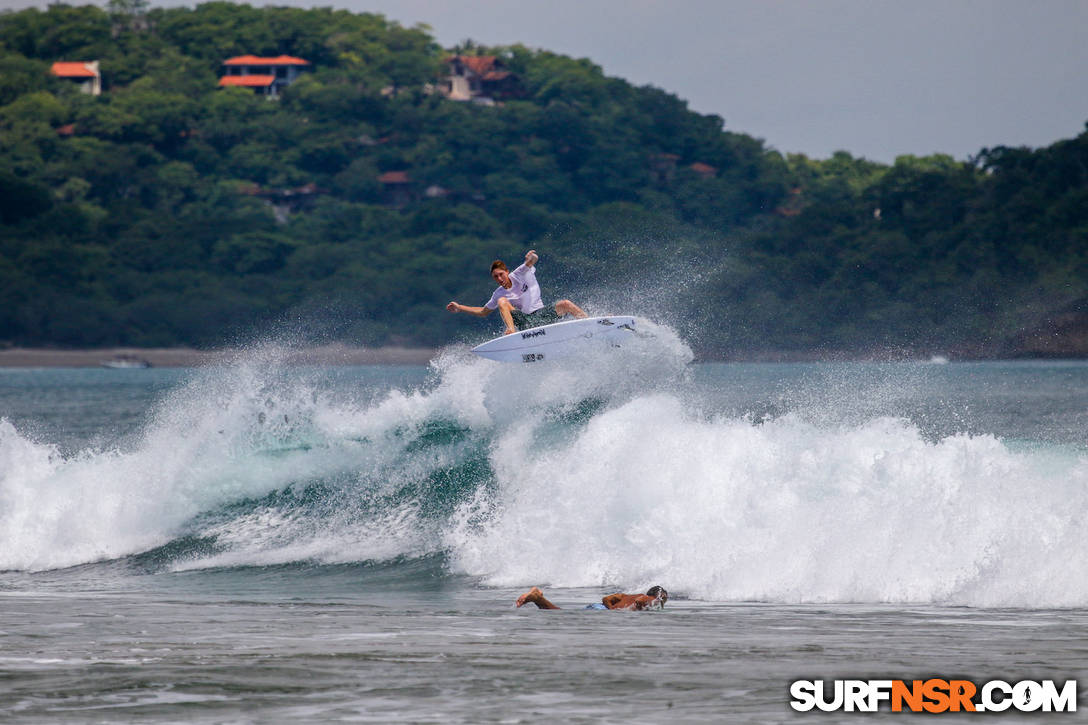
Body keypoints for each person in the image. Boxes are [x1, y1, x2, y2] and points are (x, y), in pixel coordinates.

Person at [446, 249, 587, 335]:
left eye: (501, 274)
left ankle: (589, 323)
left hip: (542, 315)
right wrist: (459, 307)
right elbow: (483, 312)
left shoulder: (519, 273)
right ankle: (511, 331)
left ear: (507, 272)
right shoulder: (498, 294)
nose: (499, 278)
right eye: (495, 277)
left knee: (566, 304)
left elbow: (534, 260)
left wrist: (530, 257)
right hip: (525, 321)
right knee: (502, 301)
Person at [515, 585, 668, 611]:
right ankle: (537, 598)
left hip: (598, 607)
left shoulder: (627, 595)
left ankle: (539, 597)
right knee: (556, 612)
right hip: (601, 611)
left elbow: (606, 598)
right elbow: (641, 602)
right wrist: (616, 612)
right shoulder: (650, 599)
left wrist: (612, 609)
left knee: (561, 612)